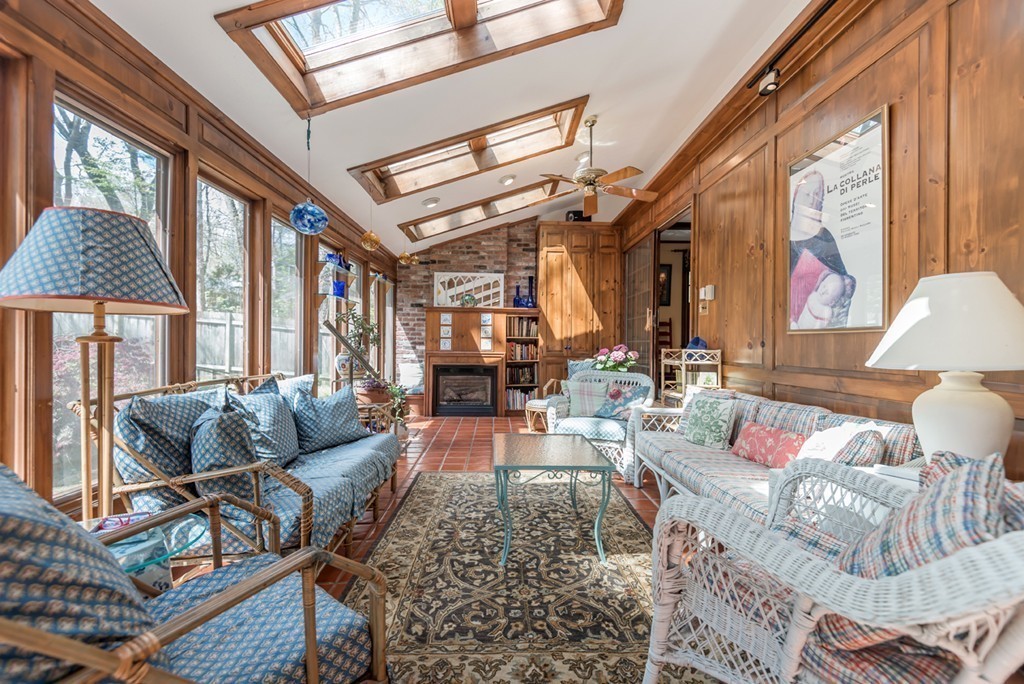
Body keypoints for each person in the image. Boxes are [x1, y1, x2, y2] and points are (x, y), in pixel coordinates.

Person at [789, 169, 856, 329]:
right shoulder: (781, 239)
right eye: (807, 194)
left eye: (818, 195)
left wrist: (843, 284)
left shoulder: (824, 237)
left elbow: (843, 282)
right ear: (796, 197)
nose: (812, 201)